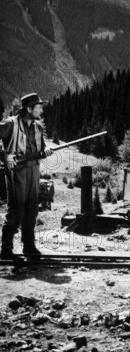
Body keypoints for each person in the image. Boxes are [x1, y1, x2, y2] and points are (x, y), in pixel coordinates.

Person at [0, 93, 53, 260]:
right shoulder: (11, 123)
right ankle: (6, 250)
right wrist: (5, 156)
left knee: (32, 210)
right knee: (16, 209)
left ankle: (29, 247)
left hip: (34, 172)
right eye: (38, 107)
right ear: (29, 109)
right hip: (17, 172)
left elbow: (41, 149)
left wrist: (45, 152)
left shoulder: (38, 127)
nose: (41, 110)